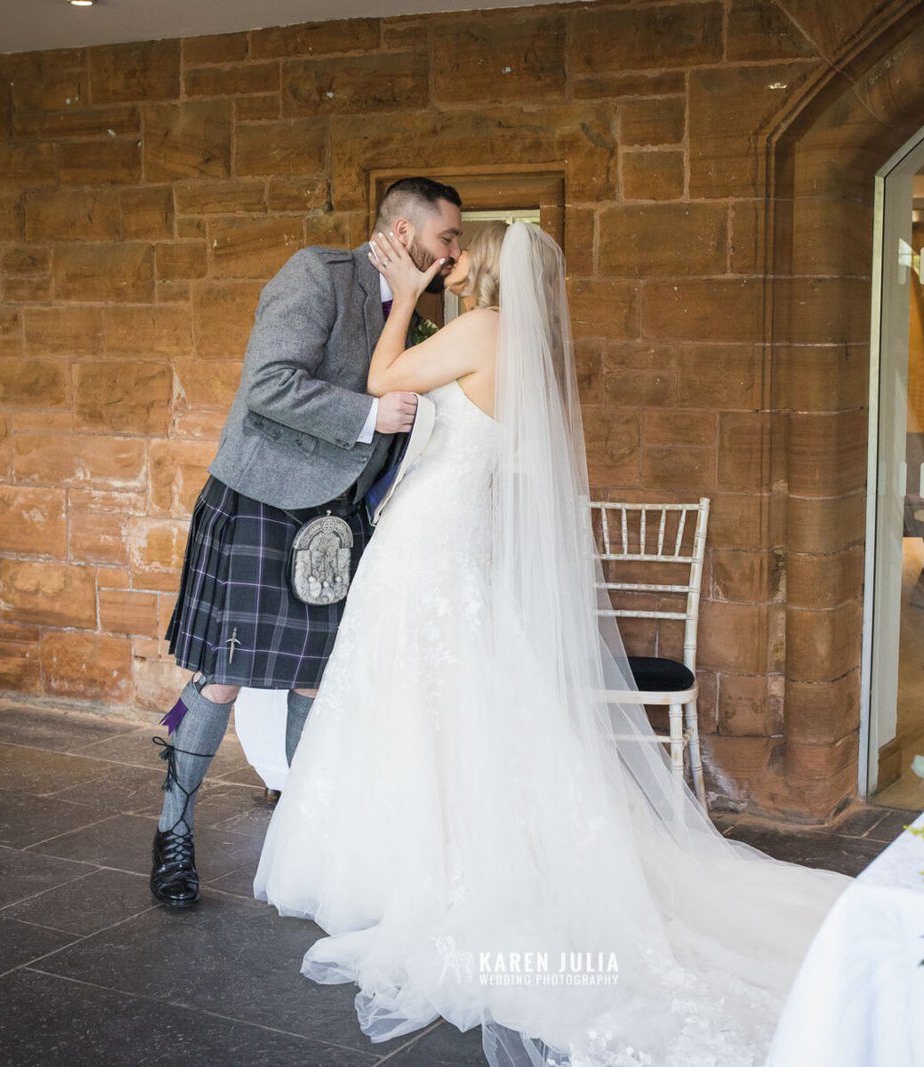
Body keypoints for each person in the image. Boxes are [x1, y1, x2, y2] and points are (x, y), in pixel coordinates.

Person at [253, 221, 851, 1066]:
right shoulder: (523, 343)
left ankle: (411, 866)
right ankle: (444, 846)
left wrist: (411, 298)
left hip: (429, 540)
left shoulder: (481, 328)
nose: (449, 260)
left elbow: (384, 378)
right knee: (452, 699)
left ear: (488, 268)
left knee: (413, 694)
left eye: (460, 252)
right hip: (459, 539)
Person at [148, 178, 463, 909]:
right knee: (222, 676)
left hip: (339, 522)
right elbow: (268, 385)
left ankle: (305, 844)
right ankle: (172, 833)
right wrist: (370, 416)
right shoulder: (319, 274)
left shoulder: (416, 316)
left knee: (317, 683)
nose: (455, 252)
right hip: (263, 501)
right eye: (447, 237)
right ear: (403, 231)